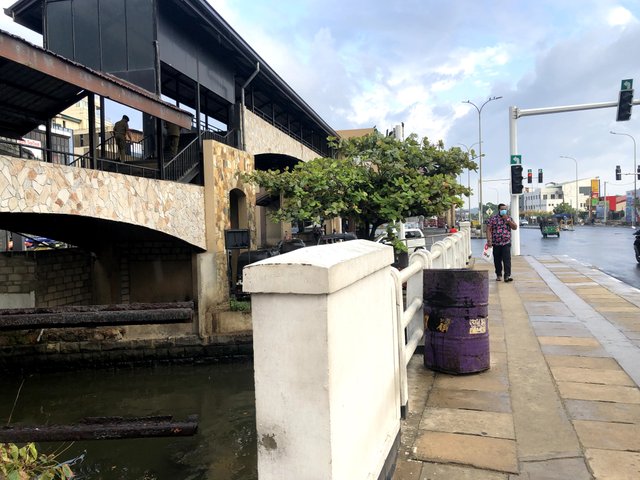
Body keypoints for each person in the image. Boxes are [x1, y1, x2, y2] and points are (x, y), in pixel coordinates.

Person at [485, 203, 518, 282]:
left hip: (506, 242)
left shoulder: (509, 218)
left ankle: (507, 275)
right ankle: (498, 274)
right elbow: (488, 229)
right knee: (497, 260)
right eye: (502, 209)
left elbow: (515, 227)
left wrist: (507, 220)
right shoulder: (493, 219)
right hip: (496, 243)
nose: (504, 210)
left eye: (505, 209)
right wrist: (489, 240)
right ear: (499, 210)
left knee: (507, 260)